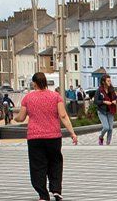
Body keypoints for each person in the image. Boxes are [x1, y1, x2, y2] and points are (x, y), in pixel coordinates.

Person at [16, 72, 78, 201]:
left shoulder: (28, 98)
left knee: (38, 165)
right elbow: (63, 116)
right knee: (55, 162)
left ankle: (43, 195)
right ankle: (56, 189)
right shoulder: (56, 96)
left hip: (35, 137)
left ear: (34, 83)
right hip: (53, 136)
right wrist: (72, 133)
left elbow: (21, 117)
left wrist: (15, 117)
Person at [94, 75, 117, 146]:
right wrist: (104, 102)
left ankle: (108, 143)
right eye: (108, 81)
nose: (110, 82)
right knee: (106, 127)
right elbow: (95, 101)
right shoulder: (99, 90)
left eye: (110, 81)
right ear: (104, 82)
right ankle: (101, 137)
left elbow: (116, 98)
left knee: (110, 128)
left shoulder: (111, 89)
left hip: (110, 111)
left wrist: (115, 100)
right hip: (102, 111)